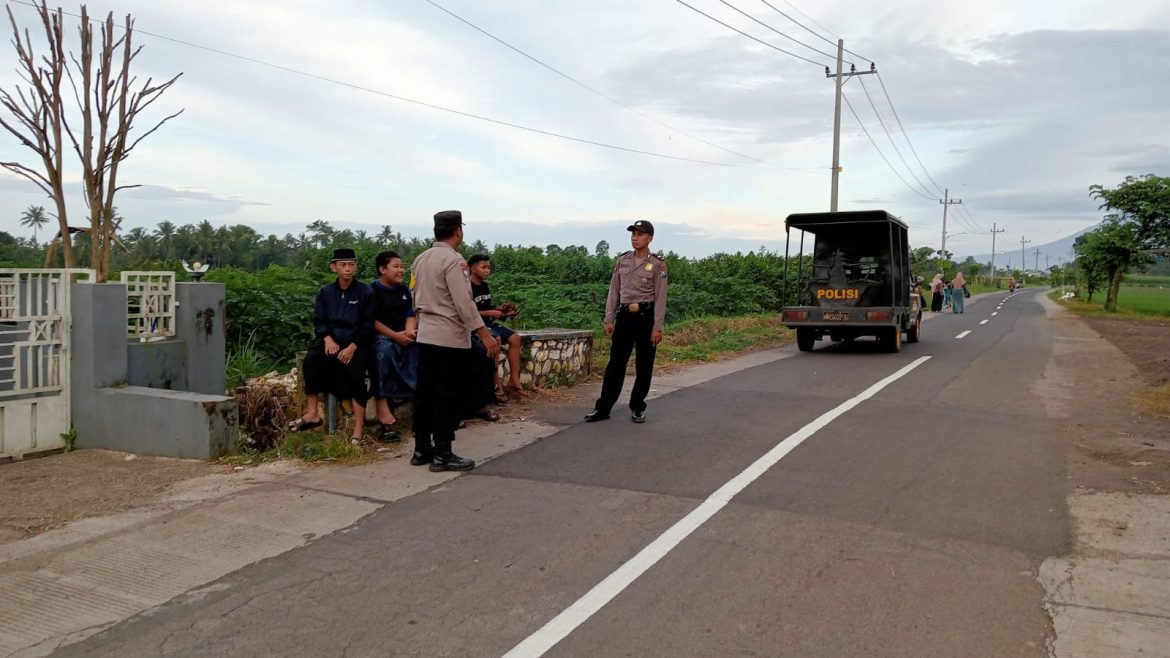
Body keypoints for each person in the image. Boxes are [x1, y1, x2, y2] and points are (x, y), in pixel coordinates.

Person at [410, 210, 500, 472]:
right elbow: (464, 302)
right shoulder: (453, 260)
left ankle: (421, 449)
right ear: (459, 230)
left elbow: (414, 296)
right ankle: (443, 453)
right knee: (447, 395)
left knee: (425, 393)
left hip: (426, 334)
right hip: (448, 337)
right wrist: (484, 334)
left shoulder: (420, 259)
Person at [585, 220, 668, 424]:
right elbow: (614, 292)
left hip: (646, 317)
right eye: (633, 234)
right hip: (624, 317)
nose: (635, 238)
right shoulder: (622, 261)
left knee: (644, 364)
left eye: (640, 234)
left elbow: (661, 298)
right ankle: (603, 408)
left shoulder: (658, 264)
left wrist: (657, 327)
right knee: (615, 364)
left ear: (650, 238)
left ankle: (637, 406)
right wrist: (609, 318)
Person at [289, 248, 375, 441]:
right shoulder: (325, 292)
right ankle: (312, 413)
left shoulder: (365, 292)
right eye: (343, 265)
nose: (347, 269)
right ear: (333, 267)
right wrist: (327, 338)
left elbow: (367, 324)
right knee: (311, 360)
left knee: (357, 375)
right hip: (331, 339)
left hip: (356, 342)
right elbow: (319, 320)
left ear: (355, 267)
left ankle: (358, 430)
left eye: (351, 264)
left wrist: (353, 347)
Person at [368, 250, 418, 443]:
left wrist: (409, 332)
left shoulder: (404, 291)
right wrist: (395, 336)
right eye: (396, 266)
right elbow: (372, 320)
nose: (401, 270)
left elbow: (410, 315)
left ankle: (420, 411)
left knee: (423, 351)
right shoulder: (371, 291)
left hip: (403, 335)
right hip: (382, 337)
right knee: (384, 352)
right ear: (382, 269)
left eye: (402, 266)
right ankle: (384, 413)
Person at [468, 254, 524, 400]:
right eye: (483, 267)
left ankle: (514, 380)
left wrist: (503, 312)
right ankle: (496, 385)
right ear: (472, 269)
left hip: (488, 323)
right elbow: (469, 311)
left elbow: (487, 309)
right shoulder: (467, 287)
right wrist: (491, 312)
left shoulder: (485, 286)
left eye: (489, 267)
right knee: (496, 339)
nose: (487, 270)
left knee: (515, 338)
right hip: (475, 326)